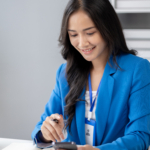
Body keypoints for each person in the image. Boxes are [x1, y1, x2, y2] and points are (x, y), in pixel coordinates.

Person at [31, 0, 150, 149]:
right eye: (73, 35)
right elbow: (40, 128)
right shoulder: (65, 73)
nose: (82, 43)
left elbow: (140, 136)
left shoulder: (137, 69)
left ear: (108, 28)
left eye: (90, 33)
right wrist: (46, 133)